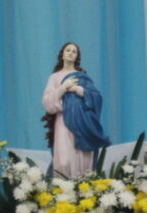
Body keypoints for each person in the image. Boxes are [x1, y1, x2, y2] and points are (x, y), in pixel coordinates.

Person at [41, 42, 111, 177]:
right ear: (62, 54)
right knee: (64, 161)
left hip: (83, 122)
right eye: (68, 50)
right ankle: (62, 187)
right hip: (63, 122)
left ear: (77, 57)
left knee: (82, 157)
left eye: (74, 51)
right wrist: (63, 87)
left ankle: (82, 186)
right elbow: (47, 102)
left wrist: (78, 89)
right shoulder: (55, 77)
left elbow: (96, 98)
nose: (71, 53)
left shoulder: (82, 77)